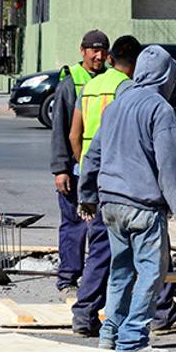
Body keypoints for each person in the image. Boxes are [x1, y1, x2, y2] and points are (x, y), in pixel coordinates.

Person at [78, 45, 176, 352]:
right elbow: (170, 164)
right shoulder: (160, 109)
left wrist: (87, 196)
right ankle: (132, 340)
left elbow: (92, 155)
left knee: (120, 271)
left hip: (111, 204)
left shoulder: (117, 106)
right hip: (142, 207)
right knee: (150, 273)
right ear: (165, 76)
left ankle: (110, 333)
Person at [49, 30, 110, 296]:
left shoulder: (112, 80)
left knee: (101, 225)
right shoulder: (70, 82)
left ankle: (97, 279)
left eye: (103, 50)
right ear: (82, 50)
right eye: (93, 50)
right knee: (74, 223)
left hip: (104, 169)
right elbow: (61, 130)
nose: (98, 56)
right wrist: (61, 169)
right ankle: (68, 277)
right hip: (76, 168)